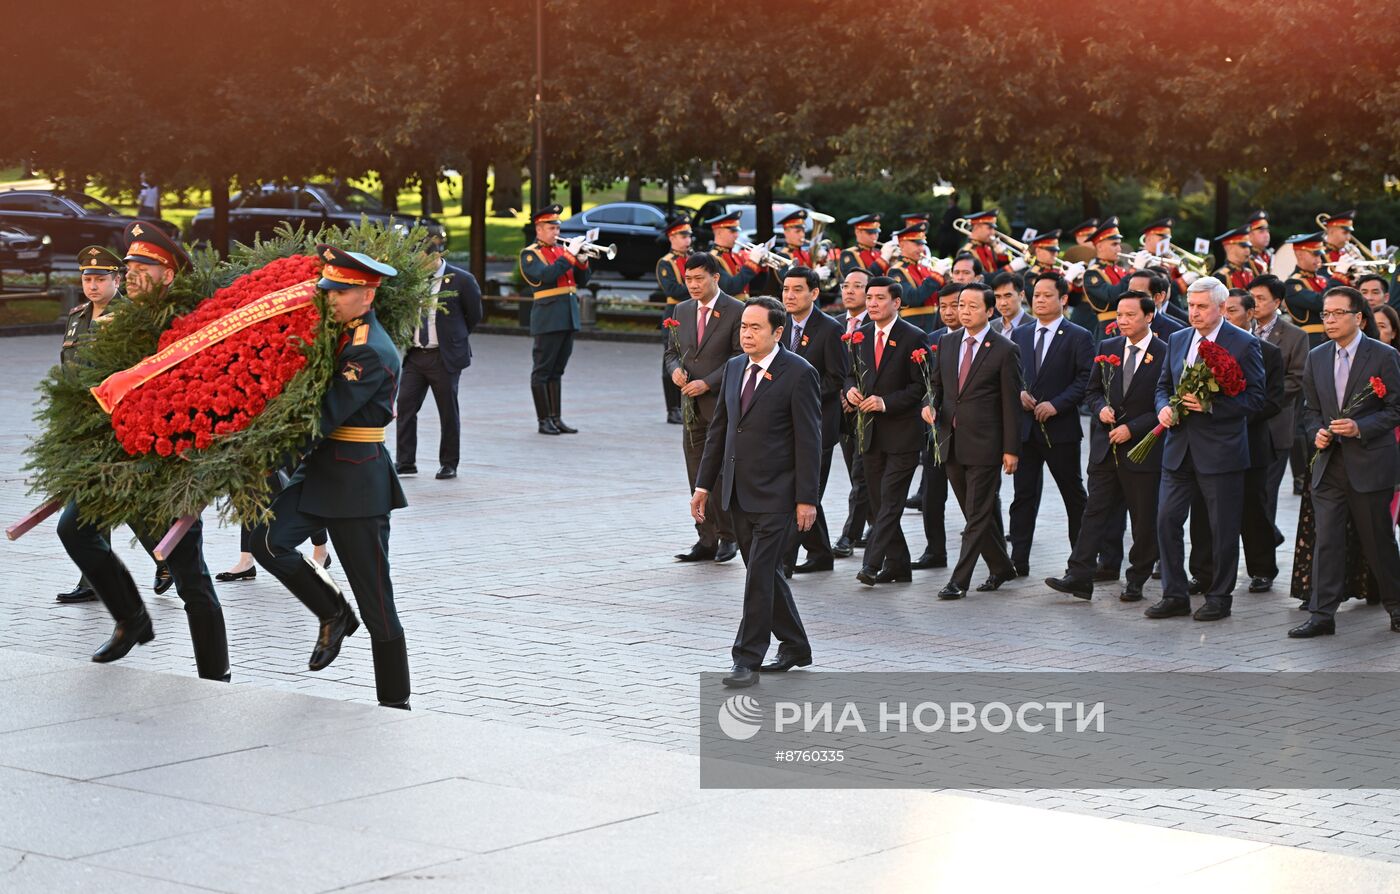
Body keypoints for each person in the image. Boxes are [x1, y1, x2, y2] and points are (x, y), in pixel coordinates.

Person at [57, 222, 229, 680]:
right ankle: (132, 618)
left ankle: (217, 676)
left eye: (143, 266)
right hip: (116, 461)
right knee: (74, 530)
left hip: (164, 466)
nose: (130, 273)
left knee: (190, 576)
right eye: (129, 265)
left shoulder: (185, 323)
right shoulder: (117, 320)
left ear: (168, 275)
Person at [250, 244, 411, 708]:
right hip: (320, 474)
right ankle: (333, 611)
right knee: (266, 541)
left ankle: (395, 702)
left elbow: (323, 414)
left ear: (367, 295)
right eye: (329, 290)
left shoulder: (369, 352)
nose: (331, 299)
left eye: (341, 291)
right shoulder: (339, 336)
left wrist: (262, 452)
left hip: (357, 485)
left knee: (377, 603)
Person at [693, 297, 821, 688]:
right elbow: (720, 431)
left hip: (777, 496)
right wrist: (703, 484)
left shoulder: (799, 373)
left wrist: (806, 498)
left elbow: (809, 441)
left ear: (777, 332)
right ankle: (796, 645)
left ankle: (745, 658)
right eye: (743, 327)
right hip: (736, 493)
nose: (746, 334)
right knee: (764, 576)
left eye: (755, 328)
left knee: (759, 578)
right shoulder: (733, 368)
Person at [1145, 276, 1264, 622]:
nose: (1193, 313)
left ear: (1222, 308)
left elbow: (1256, 398)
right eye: (1191, 305)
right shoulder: (1179, 338)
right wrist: (1163, 407)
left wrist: (1210, 406)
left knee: (1222, 528)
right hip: (1178, 448)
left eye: (1201, 307)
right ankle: (1174, 593)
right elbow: (1163, 385)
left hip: (1221, 450)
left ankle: (1219, 596)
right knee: (1166, 520)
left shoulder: (1242, 344)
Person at [1289, 287, 1400, 637]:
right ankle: (1322, 614)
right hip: (1329, 464)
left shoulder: (1383, 355)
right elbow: (1310, 411)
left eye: (1338, 313)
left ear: (1359, 318)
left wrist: (1359, 427)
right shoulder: (1317, 355)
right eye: (1326, 314)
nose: (1330, 320)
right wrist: (1317, 432)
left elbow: (1395, 408)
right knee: (1328, 540)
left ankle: (1396, 608)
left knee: (1378, 539)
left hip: (1369, 464)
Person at [1045, 292, 1168, 601]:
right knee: (1094, 512)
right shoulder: (1108, 346)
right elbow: (1092, 390)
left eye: (1130, 315)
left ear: (1149, 316)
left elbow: (1165, 404)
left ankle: (1137, 578)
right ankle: (1079, 575)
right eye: (1119, 314)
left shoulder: (1164, 353)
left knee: (1143, 519)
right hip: (1105, 447)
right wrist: (1100, 408)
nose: (1122, 321)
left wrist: (1133, 428)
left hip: (1142, 450)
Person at [923, 282, 1022, 599]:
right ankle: (1002, 566)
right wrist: (930, 406)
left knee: (977, 515)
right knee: (972, 512)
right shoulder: (947, 343)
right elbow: (937, 387)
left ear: (989, 311)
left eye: (971, 306)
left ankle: (959, 581)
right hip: (950, 439)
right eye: (960, 305)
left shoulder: (1005, 350)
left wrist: (1010, 450)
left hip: (986, 444)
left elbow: (1011, 404)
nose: (963, 312)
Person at [1190, 290, 1286, 593]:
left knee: (1252, 508)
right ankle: (1202, 572)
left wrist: (1230, 415)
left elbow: (1270, 401)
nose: (1226, 315)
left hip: (1249, 441)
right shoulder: (1198, 346)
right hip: (1207, 443)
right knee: (1203, 511)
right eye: (1224, 309)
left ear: (1249, 314)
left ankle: (1261, 569)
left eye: (1232, 310)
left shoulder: (1266, 351)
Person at [843, 277, 927, 586]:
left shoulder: (914, 337)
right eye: (870, 298)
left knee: (891, 500)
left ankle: (871, 564)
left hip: (902, 432)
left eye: (880, 298)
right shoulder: (859, 336)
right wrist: (850, 391)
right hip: (869, 432)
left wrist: (885, 402)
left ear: (897, 303)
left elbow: (921, 387)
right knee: (878, 502)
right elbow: (850, 374)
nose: (873, 303)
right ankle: (899, 565)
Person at [1008, 273, 1092, 576]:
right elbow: (1013, 375)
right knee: (1023, 496)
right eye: (1036, 295)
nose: (1039, 300)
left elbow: (1085, 379)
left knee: (1073, 495)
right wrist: (1019, 393)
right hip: (1026, 430)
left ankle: (1081, 562)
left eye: (1046, 295)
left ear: (1063, 300)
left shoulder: (1078, 335)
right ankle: (1018, 560)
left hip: (1061, 429)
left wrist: (1057, 404)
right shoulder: (1021, 334)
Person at [54, 246, 125, 605]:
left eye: (100, 279)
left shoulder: (129, 316)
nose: (92, 285)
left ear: (117, 280)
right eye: (87, 278)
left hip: (116, 421)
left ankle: (169, 561)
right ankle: (93, 579)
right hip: (82, 421)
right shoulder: (77, 316)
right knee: (89, 500)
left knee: (124, 501)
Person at [665, 252, 744, 564]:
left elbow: (740, 357)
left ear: (716, 278)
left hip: (720, 404)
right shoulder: (681, 309)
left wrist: (708, 383)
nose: (693, 285)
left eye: (700, 279)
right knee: (696, 470)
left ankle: (728, 536)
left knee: (721, 472)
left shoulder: (736, 310)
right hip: (691, 406)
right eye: (689, 279)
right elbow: (671, 351)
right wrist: (674, 370)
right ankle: (705, 538)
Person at [395, 249, 482, 479]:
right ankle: (405, 462)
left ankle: (449, 463)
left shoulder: (462, 279)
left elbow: (474, 315)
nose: (419, 263)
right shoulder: (414, 280)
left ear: (436, 255)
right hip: (415, 355)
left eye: (423, 258)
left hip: (444, 357)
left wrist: (453, 339)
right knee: (405, 405)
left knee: (447, 411)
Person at [779, 267, 843, 576]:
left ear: (814, 293)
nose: (789, 296)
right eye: (786, 289)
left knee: (806, 492)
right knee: (801, 490)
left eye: (797, 290)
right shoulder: (778, 324)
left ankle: (784, 561)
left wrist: (798, 391)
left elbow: (836, 378)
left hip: (818, 426)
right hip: (783, 426)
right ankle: (820, 553)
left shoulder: (829, 329)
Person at [1249, 274, 1309, 583]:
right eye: (1251, 298)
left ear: (1278, 302)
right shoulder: (1237, 330)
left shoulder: (1294, 336)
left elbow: (1297, 379)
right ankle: (1264, 539)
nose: (1254, 304)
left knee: (1265, 497)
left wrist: (1258, 397)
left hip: (1275, 425)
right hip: (1239, 426)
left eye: (1261, 298)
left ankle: (1263, 570)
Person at [519, 204, 590, 434]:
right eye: (551, 228)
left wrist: (582, 259)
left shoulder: (562, 253)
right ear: (539, 229)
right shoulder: (530, 254)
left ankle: (556, 418)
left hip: (568, 316)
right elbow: (545, 276)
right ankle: (543, 420)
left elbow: (582, 280)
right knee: (542, 369)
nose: (556, 233)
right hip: (548, 317)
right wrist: (570, 256)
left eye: (557, 228)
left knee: (557, 370)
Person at [912, 283, 967, 570]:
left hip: (969, 432)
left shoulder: (982, 341)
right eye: (942, 306)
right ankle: (935, 551)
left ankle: (989, 549)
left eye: (954, 305)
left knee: (975, 498)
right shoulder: (931, 339)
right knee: (932, 496)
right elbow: (926, 382)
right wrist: (927, 404)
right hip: (936, 430)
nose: (948, 312)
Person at [833, 269, 872, 559]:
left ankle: (849, 535)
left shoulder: (878, 325)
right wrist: (841, 394)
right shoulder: (834, 325)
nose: (849, 291)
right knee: (855, 473)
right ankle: (875, 525)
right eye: (846, 286)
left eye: (858, 286)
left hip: (869, 412)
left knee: (861, 474)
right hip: (840, 410)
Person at [656, 212, 694, 425]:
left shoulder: (693, 259)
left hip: (692, 311)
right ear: (671, 237)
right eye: (682, 235)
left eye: (689, 235)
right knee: (671, 360)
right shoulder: (666, 262)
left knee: (690, 359)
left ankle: (686, 406)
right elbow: (673, 289)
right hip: (674, 312)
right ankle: (672, 408)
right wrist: (697, 286)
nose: (687, 239)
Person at [1282, 232, 1345, 347]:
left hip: (1335, 337)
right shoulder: (1292, 284)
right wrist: (1339, 276)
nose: (1319, 259)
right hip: (1312, 342)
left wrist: (1349, 281)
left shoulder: (1324, 279)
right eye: (1314, 254)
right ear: (1300, 254)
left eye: (1320, 254)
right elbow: (1321, 303)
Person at [1082, 217, 1133, 343]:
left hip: (1129, 327)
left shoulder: (1121, 271)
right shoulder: (1092, 273)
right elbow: (1111, 295)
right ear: (1099, 246)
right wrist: (1134, 272)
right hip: (1108, 331)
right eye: (1114, 244)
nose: (1119, 249)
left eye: (1119, 244)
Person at [888, 222, 946, 333]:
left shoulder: (925, 269)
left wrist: (947, 279)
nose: (921, 248)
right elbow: (912, 298)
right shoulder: (896, 271)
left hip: (936, 324)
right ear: (902, 244)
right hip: (915, 326)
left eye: (922, 244)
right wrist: (936, 277)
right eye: (917, 244)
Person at [705, 210, 766, 297]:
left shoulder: (737, 256)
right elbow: (730, 288)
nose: (737, 235)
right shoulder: (711, 259)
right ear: (719, 232)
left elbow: (756, 287)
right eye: (732, 231)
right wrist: (751, 263)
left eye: (737, 231)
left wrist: (762, 266)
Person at [959, 209, 1013, 275]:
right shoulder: (967, 252)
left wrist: (1001, 255)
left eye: (994, 229)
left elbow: (1002, 276)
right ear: (977, 227)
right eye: (989, 228)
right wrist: (1011, 267)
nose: (993, 232)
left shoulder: (989, 248)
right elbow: (983, 279)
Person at [838, 214, 890, 278]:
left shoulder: (878, 252)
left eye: (876, 232)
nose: (875, 236)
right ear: (858, 232)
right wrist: (883, 259)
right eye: (870, 233)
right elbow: (861, 279)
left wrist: (893, 262)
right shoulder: (848, 254)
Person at [990, 271, 1032, 336]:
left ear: (1021, 295)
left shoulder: (1035, 327)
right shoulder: (990, 327)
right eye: (997, 297)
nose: (1003, 303)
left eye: (1008, 296)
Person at [1245, 209, 1272, 276]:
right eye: (1261, 232)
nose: (1266, 235)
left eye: (1267, 231)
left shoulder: (1269, 255)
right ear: (1250, 235)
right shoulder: (1245, 258)